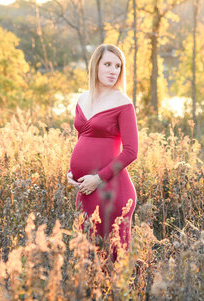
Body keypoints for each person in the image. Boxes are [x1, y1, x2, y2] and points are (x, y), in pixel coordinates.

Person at [66, 43, 138, 257]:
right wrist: (74, 172)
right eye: (107, 64)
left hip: (111, 191)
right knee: (86, 255)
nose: (113, 70)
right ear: (95, 65)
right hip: (85, 190)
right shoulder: (81, 99)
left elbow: (131, 151)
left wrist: (98, 178)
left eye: (117, 66)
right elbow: (82, 138)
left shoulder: (123, 103)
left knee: (112, 260)